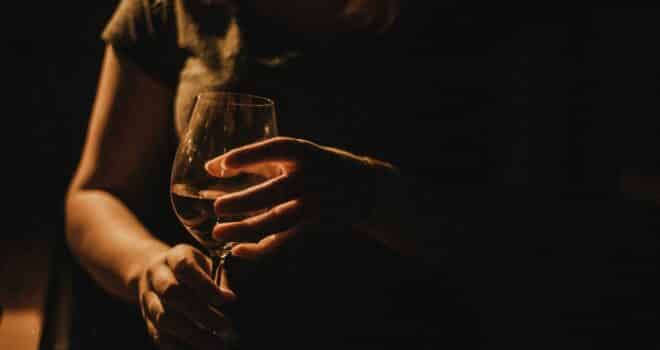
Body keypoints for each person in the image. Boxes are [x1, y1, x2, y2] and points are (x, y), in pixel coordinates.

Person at [66, 1, 658, 349]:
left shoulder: (498, 22)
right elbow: (95, 193)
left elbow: (566, 240)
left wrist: (372, 196)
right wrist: (146, 267)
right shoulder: (168, 8)